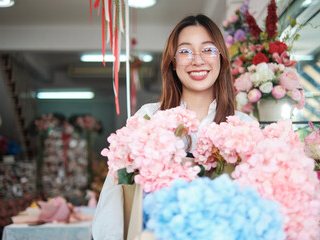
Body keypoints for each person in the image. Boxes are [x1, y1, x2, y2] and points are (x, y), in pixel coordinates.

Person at [92, 14, 253, 240]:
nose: (197, 60)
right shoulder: (148, 118)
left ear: (221, 58)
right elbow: (115, 195)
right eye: (185, 51)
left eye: (207, 49)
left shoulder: (244, 127)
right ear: (172, 61)